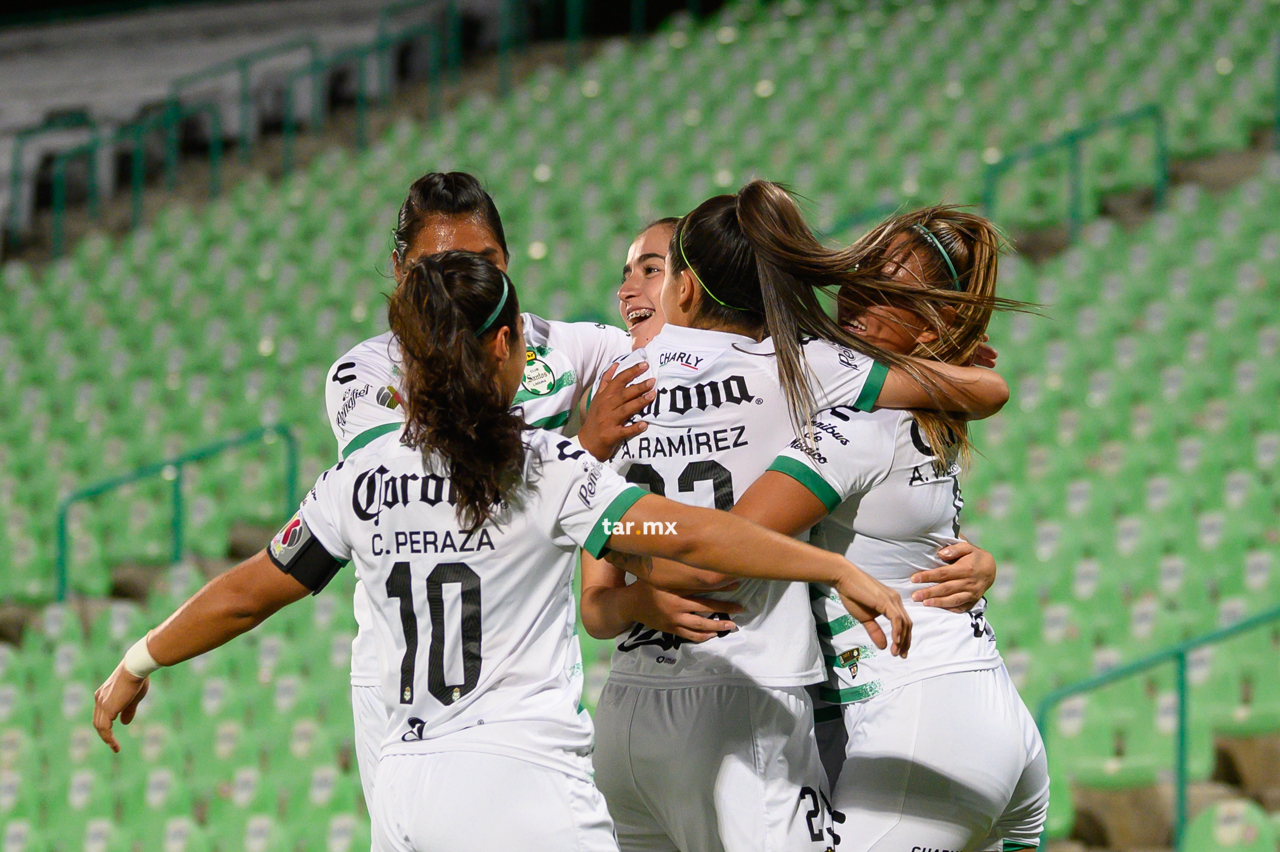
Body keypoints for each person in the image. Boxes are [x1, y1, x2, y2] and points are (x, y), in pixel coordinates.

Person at [92, 253, 913, 852]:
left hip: (405, 790)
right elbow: (681, 530)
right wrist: (832, 565)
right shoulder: (538, 468)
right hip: (516, 787)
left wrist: (140, 657)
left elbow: (247, 591)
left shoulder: (359, 478)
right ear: (505, 345)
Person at [581, 182, 1011, 852]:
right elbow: (990, 389)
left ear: (686, 291)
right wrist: (937, 362)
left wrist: (640, 585)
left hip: (623, 713)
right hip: (743, 703)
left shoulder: (612, 384)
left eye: (654, 269)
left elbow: (598, 604)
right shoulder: (799, 371)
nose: (636, 287)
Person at [324, 172, 645, 816]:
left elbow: (672, 360)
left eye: (481, 262)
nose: (456, 283)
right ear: (398, 269)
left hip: (526, 674)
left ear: (505, 262)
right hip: (409, 685)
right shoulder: (368, 376)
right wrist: (586, 449)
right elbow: (440, 496)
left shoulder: (558, 347)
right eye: (435, 266)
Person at [730, 207, 1049, 850]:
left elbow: (721, 549)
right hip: (983, 717)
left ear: (933, 329)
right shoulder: (922, 408)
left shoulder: (859, 426)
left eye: (888, 294)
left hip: (924, 725)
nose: (855, 301)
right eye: (859, 278)